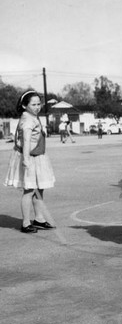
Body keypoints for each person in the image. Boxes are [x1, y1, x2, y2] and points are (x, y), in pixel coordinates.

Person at [4, 91, 56, 233]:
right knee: (29, 190)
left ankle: (39, 219)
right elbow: (26, 140)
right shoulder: (27, 119)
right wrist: (26, 160)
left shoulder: (33, 117)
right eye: (33, 104)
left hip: (37, 156)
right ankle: (26, 223)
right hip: (30, 158)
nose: (37, 107)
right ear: (24, 105)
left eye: (39, 104)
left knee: (39, 188)